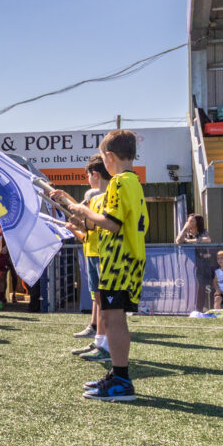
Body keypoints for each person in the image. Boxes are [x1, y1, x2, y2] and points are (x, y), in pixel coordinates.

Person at [60, 129, 148, 402]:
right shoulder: (130, 181)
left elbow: (111, 223)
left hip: (119, 261)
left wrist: (84, 211)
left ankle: (122, 379)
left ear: (109, 156)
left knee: (115, 318)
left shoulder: (121, 182)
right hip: (117, 260)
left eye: (102, 157)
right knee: (109, 316)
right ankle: (117, 373)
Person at [67, 155, 111, 349]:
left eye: (88, 175)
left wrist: (82, 220)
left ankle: (103, 341)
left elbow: (99, 225)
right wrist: (79, 225)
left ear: (95, 174)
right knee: (99, 298)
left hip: (103, 252)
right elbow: (90, 227)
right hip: (96, 250)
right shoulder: (99, 196)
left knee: (104, 299)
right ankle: (99, 340)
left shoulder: (106, 196)